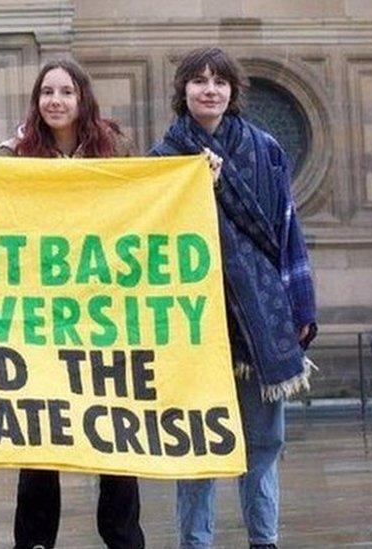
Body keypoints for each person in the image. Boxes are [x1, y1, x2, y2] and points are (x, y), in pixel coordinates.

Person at [148, 47, 317, 549]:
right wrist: (196, 187)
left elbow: (287, 230)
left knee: (264, 444)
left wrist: (302, 305)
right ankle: (195, 543)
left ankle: (264, 540)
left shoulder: (266, 150)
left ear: (232, 91)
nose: (209, 89)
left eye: (219, 81)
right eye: (198, 81)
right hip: (195, 323)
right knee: (197, 445)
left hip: (261, 321)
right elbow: (153, 239)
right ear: (183, 91)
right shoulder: (163, 160)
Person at [0, 59, 145, 549]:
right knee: (39, 438)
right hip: (41, 322)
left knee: (115, 438)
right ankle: (35, 541)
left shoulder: (117, 149)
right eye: (47, 92)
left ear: (82, 97)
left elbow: (151, 200)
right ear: (36, 101)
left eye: (65, 91)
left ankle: (124, 539)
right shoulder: (17, 155)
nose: (55, 101)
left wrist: (200, 173)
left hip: (105, 317)